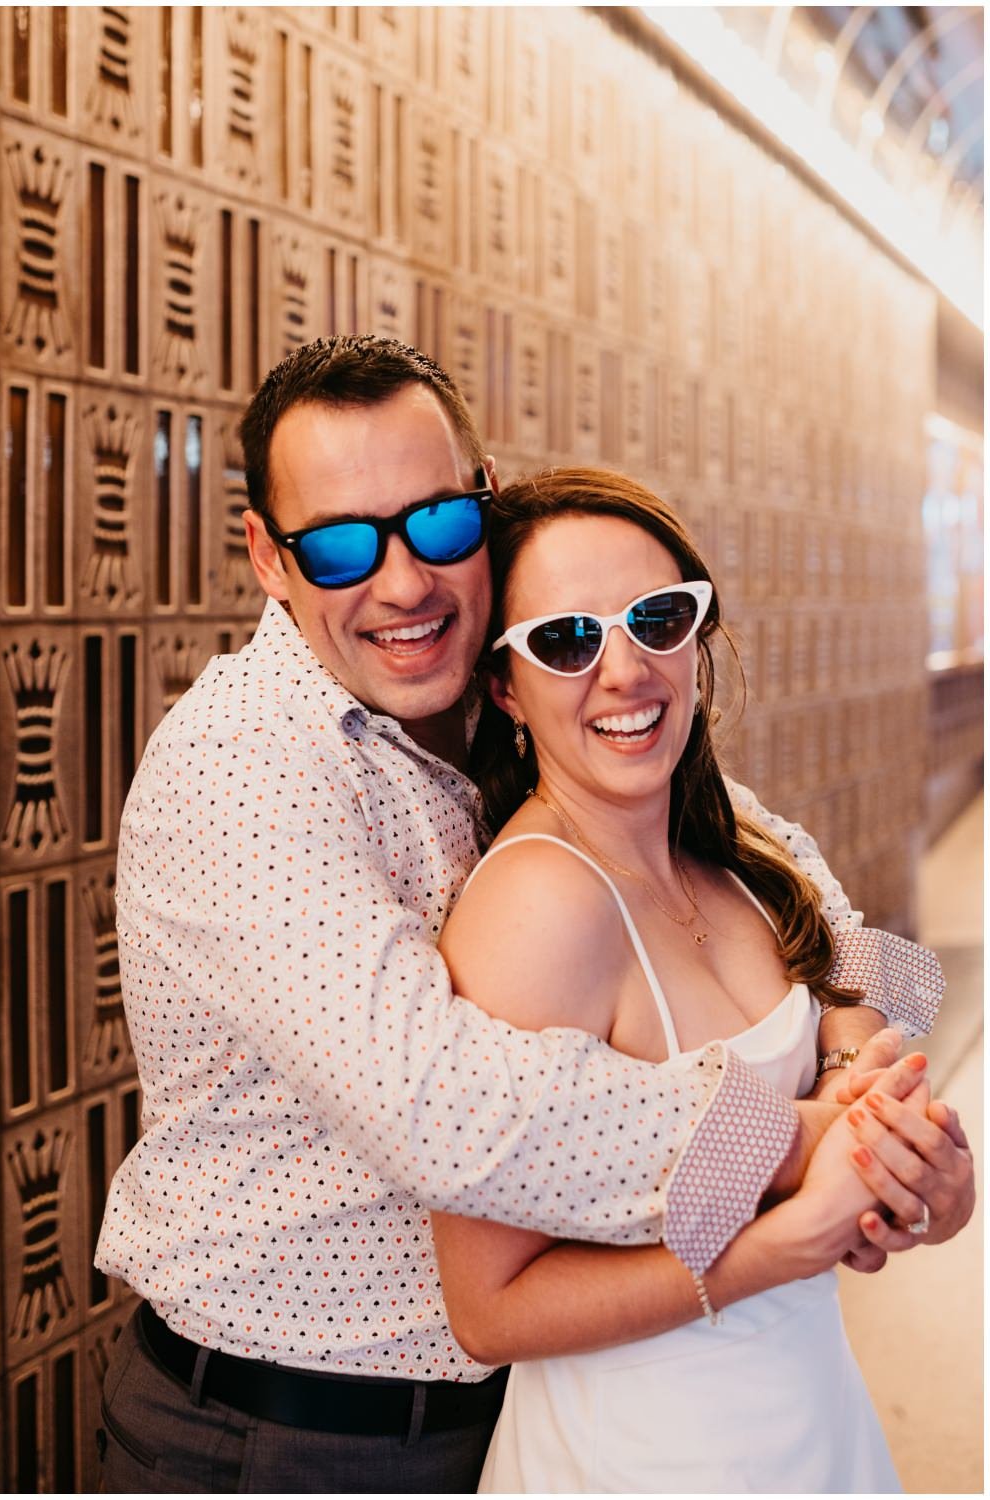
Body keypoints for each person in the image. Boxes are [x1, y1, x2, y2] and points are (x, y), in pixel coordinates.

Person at [95, 335, 962, 1492]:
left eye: (438, 527)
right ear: (266, 556)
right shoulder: (242, 769)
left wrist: (869, 1081)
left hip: (519, 1409)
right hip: (289, 1430)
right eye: (342, 544)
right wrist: (803, 1143)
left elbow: (807, 894)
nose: (402, 583)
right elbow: (449, 1118)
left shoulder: (519, 713)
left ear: (482, 498)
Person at [424, 467, 973, 1490]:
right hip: (642, 1457)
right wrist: (782, 1240)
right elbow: (488, 1309)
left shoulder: (733, 840)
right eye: (565, 640)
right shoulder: (539, 907)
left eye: (656, 619)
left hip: (812, 1423)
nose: (625, 670)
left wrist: (910, 1166)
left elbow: (880, 976)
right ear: (503, 685)